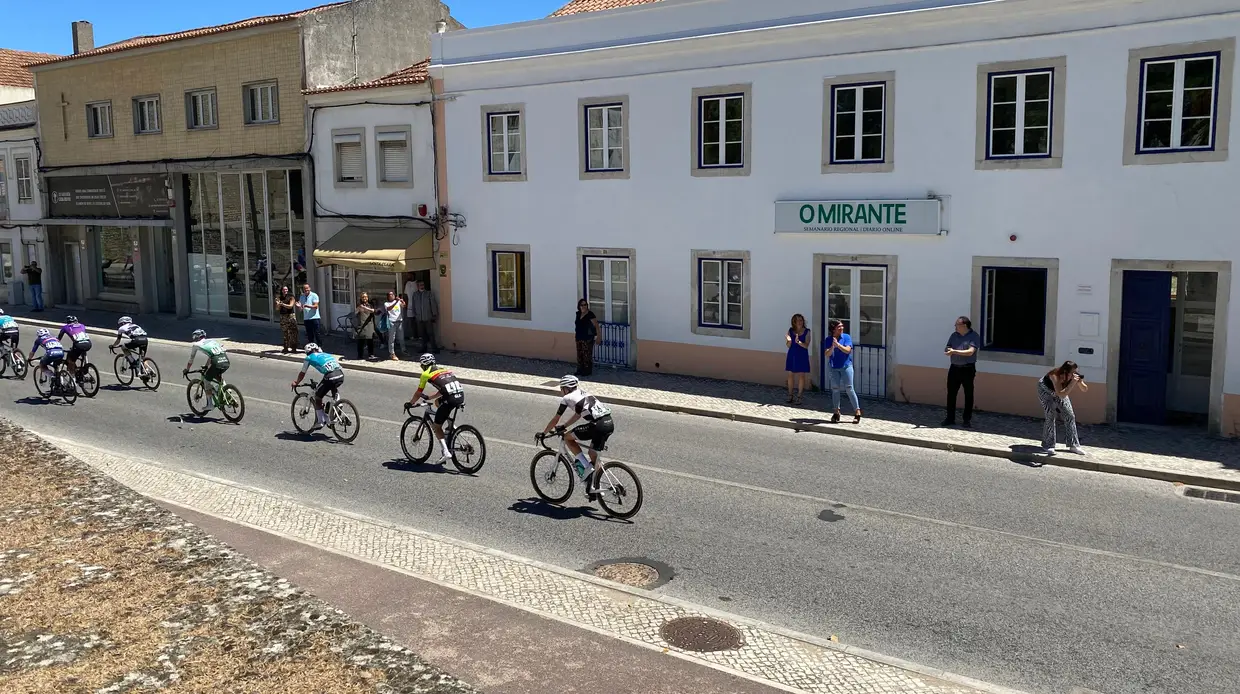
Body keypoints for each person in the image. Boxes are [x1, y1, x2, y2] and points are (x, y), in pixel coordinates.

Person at [540, 374, 613, 499]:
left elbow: (556, 418)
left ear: (566, 388)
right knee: (593, 454)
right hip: (609, 423)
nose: (561, 391)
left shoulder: (567, 397)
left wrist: (544, 433)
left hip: (597, 425)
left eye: (561, 388)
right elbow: (578, 415)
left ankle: (587, 471)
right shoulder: (583, 393)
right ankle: (595, 486)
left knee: (568, 437)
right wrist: (564, 425)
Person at [408, 353, 465, 464]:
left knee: (436, 426)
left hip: (450, 398)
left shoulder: (425, 374)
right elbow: (444, 389)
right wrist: (430, 397)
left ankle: (446, 452)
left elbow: (418, 392)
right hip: (460, 396)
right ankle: (450, 425)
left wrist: (410, 403)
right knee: (437, 402)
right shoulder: (444, 370)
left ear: (423, 365)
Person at [1038, 360, 1088, 456]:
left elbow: (1085, 389)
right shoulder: (1055, 375)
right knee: (1050, 415)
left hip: (1060, 392)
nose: (1074, 374)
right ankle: (1048, 445)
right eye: (1072, 372)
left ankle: (1074, 445)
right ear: (1065, 371)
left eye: (1076, 372)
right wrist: (1072, 383)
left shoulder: (1073, 375)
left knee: (1070, 415)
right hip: (1045, 390)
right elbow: (1061, 394)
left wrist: (1080, 382)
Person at [291, 343, 344, 431]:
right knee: (333, 386)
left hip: (330, 376)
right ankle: (338, 403)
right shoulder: (326, 354)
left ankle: (321, 421)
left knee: (318, 397)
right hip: (340, 374)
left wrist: (296, 382)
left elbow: (302, 373)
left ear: (307, 352)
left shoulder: (308, 358)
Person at [943, 316, 981, 427]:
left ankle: (966, 420)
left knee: (968, 394)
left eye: (957, 325)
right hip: (954, 368)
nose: (955, 327)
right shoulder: (954, 335)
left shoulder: (974, 336)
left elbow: (970, 352)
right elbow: (948, 347)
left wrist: (954, 351)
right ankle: (950, 418)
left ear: (964, 326)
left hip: (967, 369)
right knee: (951, 394)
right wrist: (948, 350)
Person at [183, 329, 231, 412]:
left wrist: (187, 369)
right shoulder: (212, 341)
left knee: (206, 381)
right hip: (226, 361)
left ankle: (210, 404)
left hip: (216, 362)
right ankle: (227, 390)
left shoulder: (196, 345)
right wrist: (206, 366)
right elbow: (212, 355)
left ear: (196, 337)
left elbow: (191, 359)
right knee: (217, 375)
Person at [824, 319, 861, 423]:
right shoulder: (828, 339)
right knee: (835, 389)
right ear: (833, 329)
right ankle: (836, 412)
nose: (841, 328)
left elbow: (848, 350)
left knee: (849, 388)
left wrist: (838, 345)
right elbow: (827, 354)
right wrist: (832, 346)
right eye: (839, 327)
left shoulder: (846, 337)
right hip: (833, 367)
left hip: (846, 367)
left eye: (842, 326)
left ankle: (857, 412)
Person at [407, 279, 440, 354]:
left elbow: (433, 304)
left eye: (423, 285)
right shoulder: (415, 294)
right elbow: (414, 305)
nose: (422, 286)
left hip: (428, 317)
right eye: (420, 285)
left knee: (430, 333)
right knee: (422, 334)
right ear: (417, 286)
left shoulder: (428, 293)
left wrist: (434, 315)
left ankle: (434, 348)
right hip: (419, 318)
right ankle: (423, 348)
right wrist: (415, 315)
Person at [785, 313, 811, 404]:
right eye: (797, 320)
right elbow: (788, 345)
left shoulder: (807, 331)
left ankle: (799, 396)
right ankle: (790, 395)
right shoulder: (791, 331)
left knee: (801, 376)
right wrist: (789, 341)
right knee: (790, 375)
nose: (799, 322)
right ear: (794, 322)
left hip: (802, 355)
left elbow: (806, 345)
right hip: (792, 354)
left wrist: (799, 342)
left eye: (801, 320)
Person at [574, 299, 600, 376]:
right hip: (579, 337)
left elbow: (596, 326)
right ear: (579, 306)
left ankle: (587, 371)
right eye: (582, 305)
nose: (583, 306)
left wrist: (598, 336)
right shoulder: (578, 314)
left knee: (587, 355)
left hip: (587, 338)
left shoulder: (590, 314)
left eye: (585, 305)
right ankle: (580, 370)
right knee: (580, 354)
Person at [275, 286, 299, 353]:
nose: (285, 290)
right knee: (285, 332)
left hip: (291, 316)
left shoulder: (291, 297)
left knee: (293, 332)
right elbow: (277, 309)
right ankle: (285, 347)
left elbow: (290, 306)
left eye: (286, 289)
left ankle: (294, 348)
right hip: (283, 316)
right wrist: (278, 304)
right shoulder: (279, 298)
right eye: (284, 289)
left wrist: (282, 304)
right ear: (282, 290)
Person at [383, 290, 405, 360]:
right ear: (388, 297)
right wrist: (396, 302)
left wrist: (402, 301)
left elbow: (404, 305)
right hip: (392, 322)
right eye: (390, 295)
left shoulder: (398, 302)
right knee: (392, 338)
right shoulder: (386, 303)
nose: (391, 296)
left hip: (399, 321)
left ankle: (403, 350)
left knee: (401, 337)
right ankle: (392, 353)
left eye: (392, 295)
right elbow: (389, 309)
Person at [354, 292, 377, 360]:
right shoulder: (359, 305)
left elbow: (374, 311)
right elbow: (355, 312)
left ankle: (371, 354)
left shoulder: (370, 305)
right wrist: (359, 308)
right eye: (363, 297)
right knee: (361, 341)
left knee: (370, 340)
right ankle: (360, 355)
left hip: (369, 324)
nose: (365, 298)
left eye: (366, 297)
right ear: (361, 298)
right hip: (361, 325)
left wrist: (366, 308)